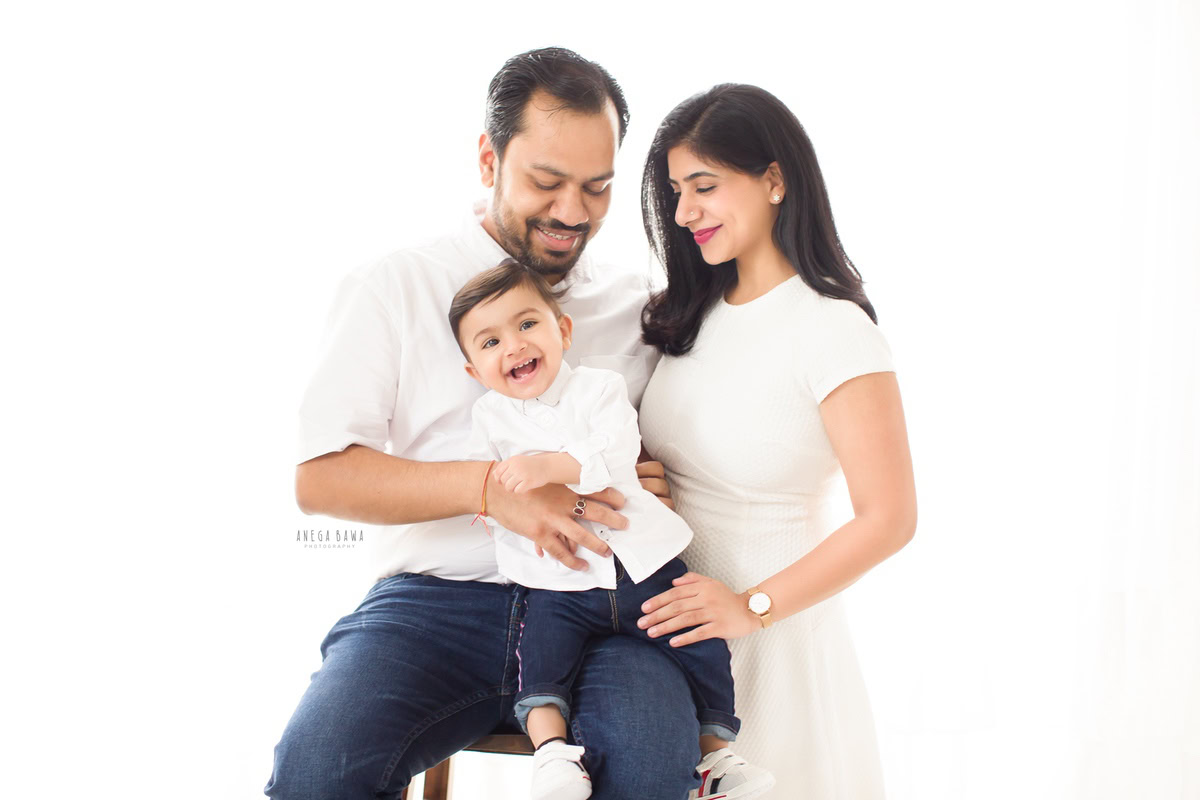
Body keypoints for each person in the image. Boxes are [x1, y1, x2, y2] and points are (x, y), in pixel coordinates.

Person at [265, 48, 702, 799]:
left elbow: (660, 453)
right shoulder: (398, 283)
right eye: (546, 182)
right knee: (315, 773)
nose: (573, 212)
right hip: (436, 605)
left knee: (654, 765)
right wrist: (494, 492)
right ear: (487, 158)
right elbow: (321, 478)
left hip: (600, 607)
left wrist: (634, 475)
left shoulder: (637, 306)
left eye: (597, 188)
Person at [635, 84, 918, 798]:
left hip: (776, 639)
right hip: (679, 635)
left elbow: (890, 518)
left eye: (705, 186)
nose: (684, 211)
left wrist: (750, 606)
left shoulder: (833, 330)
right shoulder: (689, 314)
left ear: (774, 179)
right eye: (675, 190)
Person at [449, 259, 774, 800]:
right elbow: (482, 491)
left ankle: (716, 753)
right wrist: (499, 506)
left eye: (528, 324)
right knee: (541, 656)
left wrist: (548, 469)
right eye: (489, 342)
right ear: (472, 371)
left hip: (639, 564)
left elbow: (616, 448)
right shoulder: (488, 419)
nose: (514, 346)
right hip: (561, 576)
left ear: (563, 330)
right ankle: (553, 757)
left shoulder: (599, 388)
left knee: (700, 639)